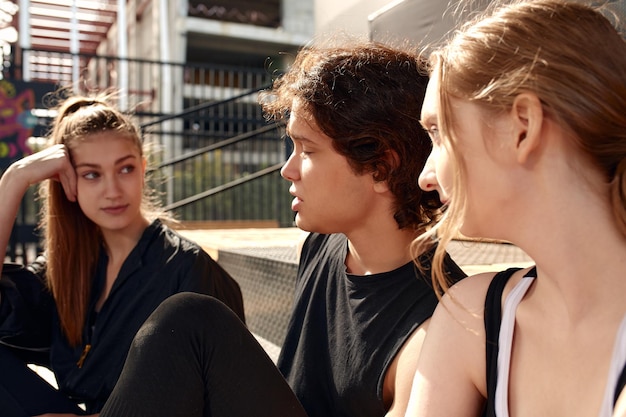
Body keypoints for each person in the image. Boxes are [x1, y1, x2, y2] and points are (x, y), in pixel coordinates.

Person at [98, 41, 466, 417]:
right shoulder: (322, 246)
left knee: (190, 320)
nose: (287, 169)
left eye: (306, 151)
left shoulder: (435, 325)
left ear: (380, 168)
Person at [404, 1, 626, 416]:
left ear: (522, 126)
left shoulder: (473, 320)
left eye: (438, 132)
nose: (425, 178)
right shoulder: (470, 316)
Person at [0, 95, 245, 416]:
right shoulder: (66, 271)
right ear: (66, 182)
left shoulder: (188, 270)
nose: (113, 190)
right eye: (92, 174)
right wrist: (13, 180)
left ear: (143, 169)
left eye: (125, 169)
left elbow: (217, 400)